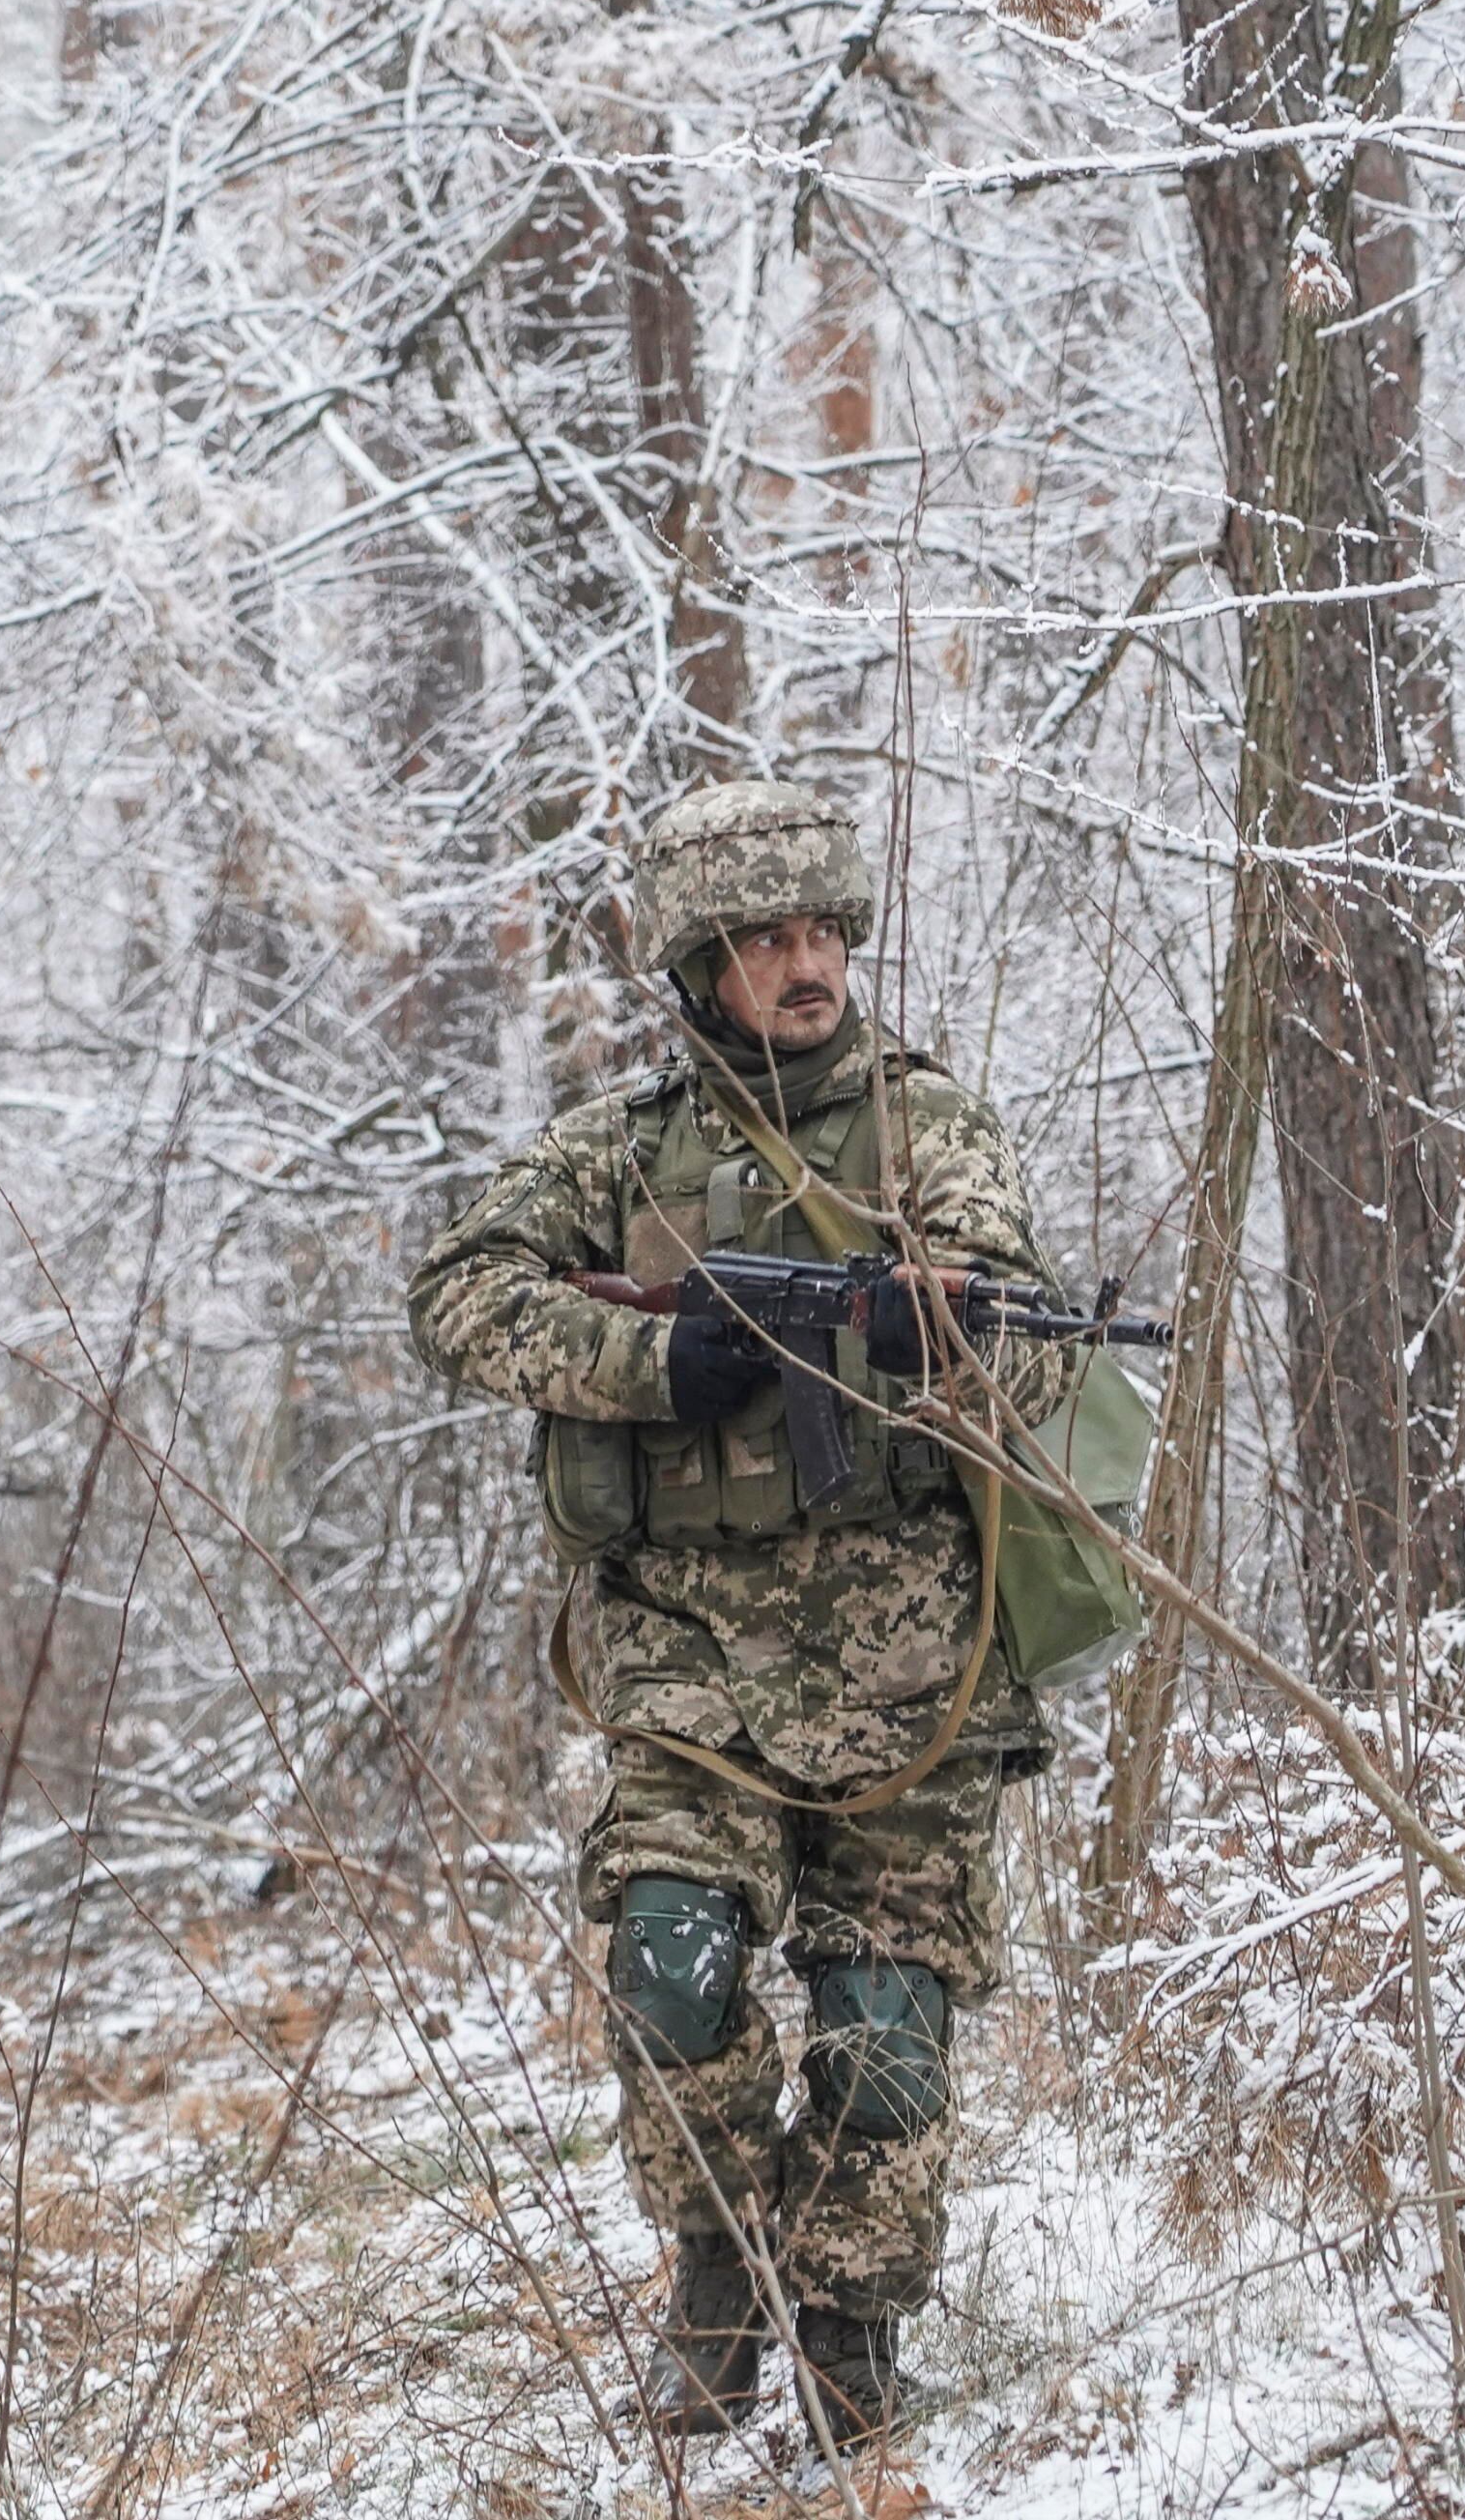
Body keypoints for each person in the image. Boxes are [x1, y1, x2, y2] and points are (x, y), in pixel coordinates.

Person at [406, 781, 1076, 2450]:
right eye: (769, 939)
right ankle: (715, 2270)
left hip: (910, 1650)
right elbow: (458, 1292)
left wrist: (951, 1339)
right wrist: (650, 1360)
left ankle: (849, 2334)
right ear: (704, 964)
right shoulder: (625, 1146)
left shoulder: (932, 1127)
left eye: (824, 933)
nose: (807, 965)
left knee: (886, 2013)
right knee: (675, 1958)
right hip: (680, 1652)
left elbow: (1045, 1340)